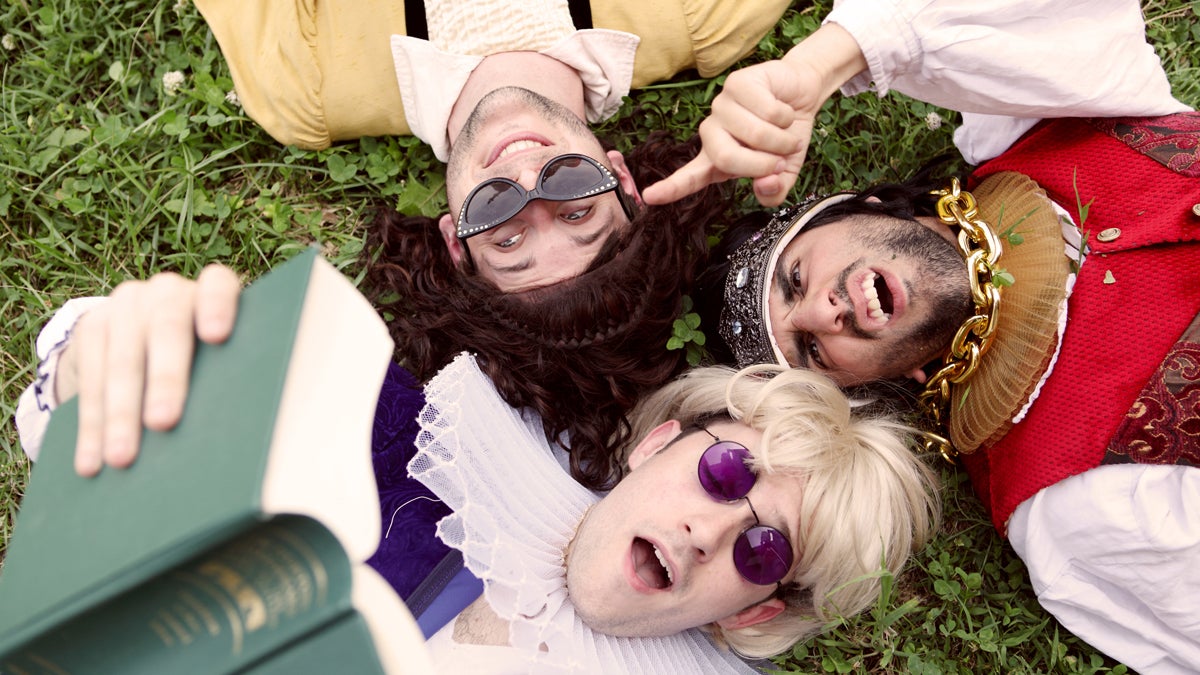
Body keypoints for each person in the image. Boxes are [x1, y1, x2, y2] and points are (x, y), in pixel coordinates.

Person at [13, 270, 940, 673]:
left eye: (765, 547)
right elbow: (80, 426)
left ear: (756, 610)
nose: (713, 528)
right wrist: (118, 354)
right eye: (730, 473)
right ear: (662, 444)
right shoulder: (415, 442)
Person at [647, 1, 1200, 671]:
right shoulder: (1070, 509)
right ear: (876, 383)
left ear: (860, 208)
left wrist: (821, 64)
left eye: (796, 278)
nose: (823, 315)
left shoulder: (1034, 121)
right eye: (812, 354)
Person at [193, 0, 790, 291]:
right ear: (623, 181)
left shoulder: (306, 86)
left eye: (503, 232)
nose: (527, 178)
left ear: (454, 237)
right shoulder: (705, 15)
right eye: (576, 205)